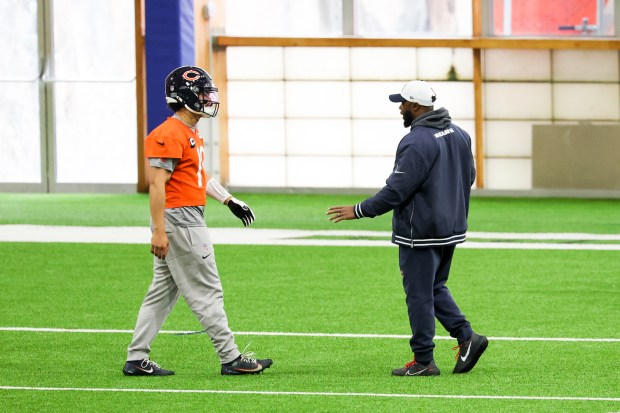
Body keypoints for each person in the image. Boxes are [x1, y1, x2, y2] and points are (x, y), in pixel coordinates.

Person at [327, 80, 487, 376]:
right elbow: (470, 176)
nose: (399, 108)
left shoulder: (417, 141)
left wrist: (359, 210)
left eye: (402, 103)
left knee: (419, 295)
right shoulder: (460, 134)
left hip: (421, 232)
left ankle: (424, 361)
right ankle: (467, 337)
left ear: (415, 106)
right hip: (450, 228)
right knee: (434, 287)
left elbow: (396, 190)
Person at [123, 66, 272, 376]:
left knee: (161, 293)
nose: (208, 99)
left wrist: (228, 200)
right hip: (182, 221)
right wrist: (159, 231)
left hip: (182, 219)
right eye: (203, 93)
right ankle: (231, 358)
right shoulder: (169, 134)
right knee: (207, 290)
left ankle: (137, 358)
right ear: (185, 95)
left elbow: (199, 176)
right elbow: (156, 185)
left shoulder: (189, 133)